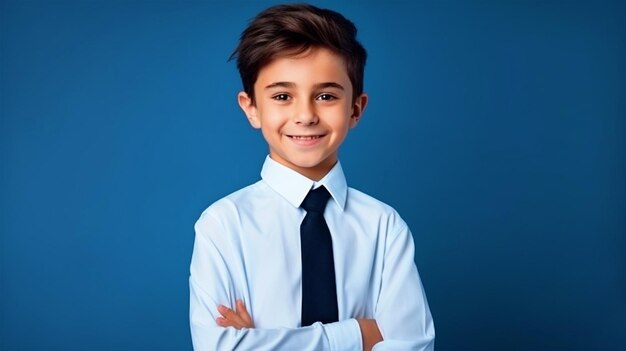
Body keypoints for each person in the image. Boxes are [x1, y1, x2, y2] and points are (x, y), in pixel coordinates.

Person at [189, 3, 435, 350]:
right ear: (251, 108)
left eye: (325, 96)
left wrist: (260, 341)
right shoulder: (224, 225)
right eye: (282, 96)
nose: (305, 115)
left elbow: (412, 345)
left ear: (356, 109)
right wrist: (358, 335)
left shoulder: (383, 226)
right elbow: (219, 348)